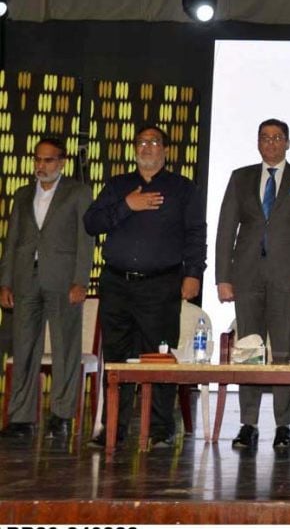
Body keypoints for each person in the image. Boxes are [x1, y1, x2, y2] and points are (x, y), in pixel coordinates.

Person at [84, 125, 206, 448]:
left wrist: (193, 273)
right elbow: (91, 223)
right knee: (117, 357)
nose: (147, 147)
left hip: (161, 285)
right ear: (134, 148)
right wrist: (127, 206)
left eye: (154, 142)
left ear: (166, 150)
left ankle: (161, 429)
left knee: (159, 357)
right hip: (117, 284)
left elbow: (196, 234)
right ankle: (113, 428)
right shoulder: (118, 186)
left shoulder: (183, 189)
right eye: (142, 142)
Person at [215, 118, 290, 451]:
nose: (271, 143)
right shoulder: (241, 178)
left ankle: (283, 425)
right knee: (248, 348)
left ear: (288, 143)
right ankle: (248, 423)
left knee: (283, 351)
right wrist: (222, 278)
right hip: (246, 276)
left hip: (287, 277)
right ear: (258, 143)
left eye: (278, 138)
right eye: (265, 138)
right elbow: (225, 230)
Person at [0, 138, 93, 440]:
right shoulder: (23, 194)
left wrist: (81, 280)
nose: (41, 166)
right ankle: (21, 419)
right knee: (24, 348)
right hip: (26, 280)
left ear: (62, 162)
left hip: (64, 281)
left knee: (66, 349)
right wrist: (6, 282)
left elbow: (85, 240)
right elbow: (12, 242)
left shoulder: (78, 193)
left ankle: (61, 416)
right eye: (38, 160)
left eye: (48, 160)